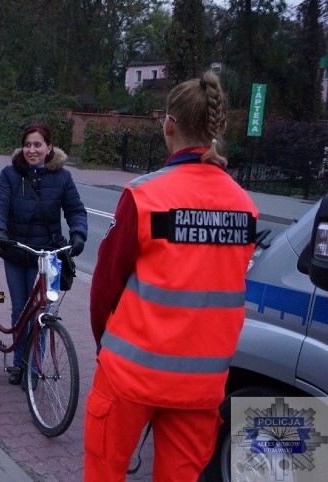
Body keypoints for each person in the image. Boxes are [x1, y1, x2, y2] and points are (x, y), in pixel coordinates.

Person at [84, 71, 259, 480]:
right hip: (201, 382)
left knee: (104, 471)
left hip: (130, 372)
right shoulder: (245, 206)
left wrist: (103, 344)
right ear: (216, 128)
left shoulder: (146, 194)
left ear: (168, 124)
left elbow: (106, 284)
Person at [0, 123, 87, 385]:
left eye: (38, 145)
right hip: (17, 250)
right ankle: (19, 364)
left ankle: (35, 367)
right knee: (21, 309)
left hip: (48, 254)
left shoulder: (62, 177)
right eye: (28, 145)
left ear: (49, 148)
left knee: (42, 312)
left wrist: (78, 234)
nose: (32, 150)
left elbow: (75, 210)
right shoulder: (10, 174)